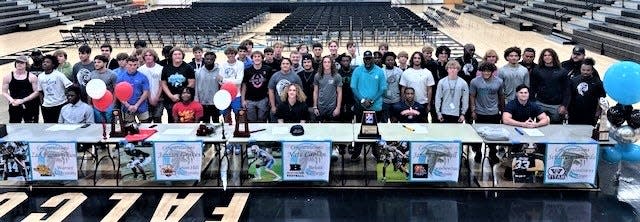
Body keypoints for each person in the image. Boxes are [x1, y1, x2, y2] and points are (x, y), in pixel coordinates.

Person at [351, 50, 387, 162]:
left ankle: (376, 153)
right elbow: (353, 87)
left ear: (372, 59)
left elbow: (383, 89)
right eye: (365, 59)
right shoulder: (358, 70)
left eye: (369, 58)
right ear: (363, 60)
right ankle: (356, 153)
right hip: (360, 106)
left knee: (375, 131)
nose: (367, 61)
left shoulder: (379, 71)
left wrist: (372, 100)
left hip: (375, 106)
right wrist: (362, 100)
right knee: (359, 130)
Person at [470, 62, 504, 164]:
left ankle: (492, 153)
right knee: (479, 134)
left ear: (492, 72)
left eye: (488, 71)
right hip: (480, 112)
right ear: (481, 71)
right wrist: (473, 110)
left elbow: (501, 96)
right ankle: (478, 153)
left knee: (494, 135)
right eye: (484, 71)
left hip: (493, 112)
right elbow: (472, 96)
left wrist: (502, 111)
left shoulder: (499, 81)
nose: (486, 73)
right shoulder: (474, 82)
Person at [530, 48, 570, 124]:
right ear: (542, 57)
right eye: (545, 55)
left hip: (556, 106)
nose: (547, 57)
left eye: (549, 55)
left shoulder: (562, 71)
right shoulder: (537, 70)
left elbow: (567, 90)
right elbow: (532, 87)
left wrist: (564, 105)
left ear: (554, 57)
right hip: (540, 103)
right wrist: (532, 102)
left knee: (556, 128)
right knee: (540, 126)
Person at [161, 47, 195, 123]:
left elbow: (191, 83)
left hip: (184, 100)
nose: (177, 56)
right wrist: (171, 96)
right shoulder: (166, 68)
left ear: (182, 55)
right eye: (175, 54)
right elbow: (163, 84)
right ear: (171, 56)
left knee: (185, 119)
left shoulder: (188, 67)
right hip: (170, 100)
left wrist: (181, 95)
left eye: (179, 54)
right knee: (172, 120)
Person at [567, 58, 605, 126]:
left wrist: (598, 112)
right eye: (583, 70)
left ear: (592, 70)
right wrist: (567, 110)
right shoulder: (574, 80)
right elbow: (569, 96)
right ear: (580, 69)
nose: (585, 72)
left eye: (588, 70)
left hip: (590, 115)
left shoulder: (598, 83)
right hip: (574, 114)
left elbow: (601, 99)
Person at [2, 56, 40, 123]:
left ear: (26, 64)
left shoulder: (32, 77)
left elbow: (36, 92)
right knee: (14, 125)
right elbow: (4, 92)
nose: (19, 64)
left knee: (30, 126)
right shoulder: (8, 77)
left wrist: (23, 100)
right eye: (17, 62)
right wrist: (12, 100)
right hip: (14, 104)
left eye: (22, 63)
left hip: (29, 105)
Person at [400, 52, 434, 123]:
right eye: (415, 58)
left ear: (422, 60)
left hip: (423, 103)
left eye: (419, 58)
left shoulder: (427, 72)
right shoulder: (406, 72)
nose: (417, 60)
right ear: (412, 60)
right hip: (408, 104)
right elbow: (403, 89)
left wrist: (429, 104)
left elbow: (429, 90)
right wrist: (403, 103)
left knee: (423, 125)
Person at [38, 55, 73, 123]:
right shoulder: (40, 76)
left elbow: (69, 86)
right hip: (46, 106)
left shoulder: (59, 75)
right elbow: (40, 91)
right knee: (48, 127)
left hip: (60, 104)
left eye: (48, 62)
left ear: (53, 65)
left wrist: (67, 100)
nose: (44, 63)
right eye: (44, 62)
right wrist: (42, 103)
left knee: (60, 126)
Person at [116, 56, 150, 123]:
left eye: (135, 65)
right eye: (130, 65)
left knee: (145, 127)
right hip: (127, 107)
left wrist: (136, 105)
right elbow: (118, 93)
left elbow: (146, 92)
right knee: (129, 129)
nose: (132, 67)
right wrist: (127, 105)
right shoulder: (121, 77)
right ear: (126, 65)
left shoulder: (143, 77)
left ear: (137, 65)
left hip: (142, 107)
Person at [268, 58, 302, 122]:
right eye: (283, 64)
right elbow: (271, 91)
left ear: (291, 66)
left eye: (287, 64)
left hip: (291, 106)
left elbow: (299, 91)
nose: (285, 65)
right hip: (278, 105)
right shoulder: (275, 76)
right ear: (280, 65)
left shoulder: (295, 76)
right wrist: (273, 106)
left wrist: (297, 106)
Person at [241, 51, 270, 122]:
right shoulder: (247, 70)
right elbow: (244, 86)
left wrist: (269, 99)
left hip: (263, 99)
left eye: (259, 56)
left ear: (262, 58)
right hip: (250, 100)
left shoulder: (268, 69)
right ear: (252, 59)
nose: (257, 58)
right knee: (251, 120)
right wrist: (243, 100)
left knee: (262, 119)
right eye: (255, 56)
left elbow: (270, 87)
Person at [313, 56, 343, 122]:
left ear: (331, 64)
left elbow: (339, 93)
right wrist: (315, 107)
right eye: (325, 62)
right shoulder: (317, 76)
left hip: (332, 108)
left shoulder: (337, 76)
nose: (327, 64)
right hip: (320, 107)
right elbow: (315, 91)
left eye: (329, 62)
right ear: (322, 64)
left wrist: (338, 108)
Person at [137, 48, 164, 123]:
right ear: (143, 57)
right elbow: (143, 86)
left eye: (150, 55)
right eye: (146, 55)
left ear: (154, 57)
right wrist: (149, 98)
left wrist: (157, 97)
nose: (148, 57)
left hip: (159, 98)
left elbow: (161, 84)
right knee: (146, 121)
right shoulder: (140, 70)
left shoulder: (160, 68)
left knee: (157, 120)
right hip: (145, 100)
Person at [219, 46, 245, 122]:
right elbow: (220, 82)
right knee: (226, 115)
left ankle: (239, 131)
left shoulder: (240, 64)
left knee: (239, 114)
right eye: (228, 54)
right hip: (225, 94)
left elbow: (239, 81)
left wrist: (224, 80)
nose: (230, 55)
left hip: (236, 95)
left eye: (232, 53)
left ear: (235, 54)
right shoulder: (223, 65)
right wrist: (232, 80)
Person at [89, 55, 118, 122]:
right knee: (99, 124)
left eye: (99, 62)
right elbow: (90, 90)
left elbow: (116, 90)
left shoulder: (112, 74)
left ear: (105, 63)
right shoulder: (92, 74)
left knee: (110, 123)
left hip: (109, 104)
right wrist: (90, 103)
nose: (96, 64)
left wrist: (113, 104)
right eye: (95, 62)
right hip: (96, 103)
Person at [426, 46, 451, 122]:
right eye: (441, 53)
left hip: (448, 95)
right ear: (437, 54)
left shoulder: (451, 66)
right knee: (435, 118)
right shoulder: (431, 64)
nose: (443, 55)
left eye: (445, 53)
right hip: (435, 94)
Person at [196, 52, 221, 123]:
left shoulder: (219, 71)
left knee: (216, 122)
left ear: (214, 60)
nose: (209, 61)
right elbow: (196, 87)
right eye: (207, 59)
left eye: (211, 59)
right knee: (205, 123)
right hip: (203, 102)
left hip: (216, 102)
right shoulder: (198, 72)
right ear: (204, 59)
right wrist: (196, 99)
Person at [381, 52, 403, 123]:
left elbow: (401, 86)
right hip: (384, 100)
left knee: (395, 121)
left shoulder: (399, 71)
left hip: (396, 100)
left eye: (392, 60)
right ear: (384, 61)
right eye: (388, 60)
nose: (390, 61)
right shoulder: (381, 71)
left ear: (394, 60)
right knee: (384, 121)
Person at [337, 53, 355, 123]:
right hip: (341, 100)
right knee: (341, 120)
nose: (345, 62)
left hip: (352, 100)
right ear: (341, 62)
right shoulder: (338, 73)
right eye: (343, 61)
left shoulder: (354, 72)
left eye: (347, 60)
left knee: (350, 120)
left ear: (350, 61)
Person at [297, 54, 316, 120]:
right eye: (304, 62)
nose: (306, 64)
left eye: (308, 62)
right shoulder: (299, 75)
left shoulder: (317, 74)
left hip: (313, 105)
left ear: (312, 62)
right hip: (302, 104)